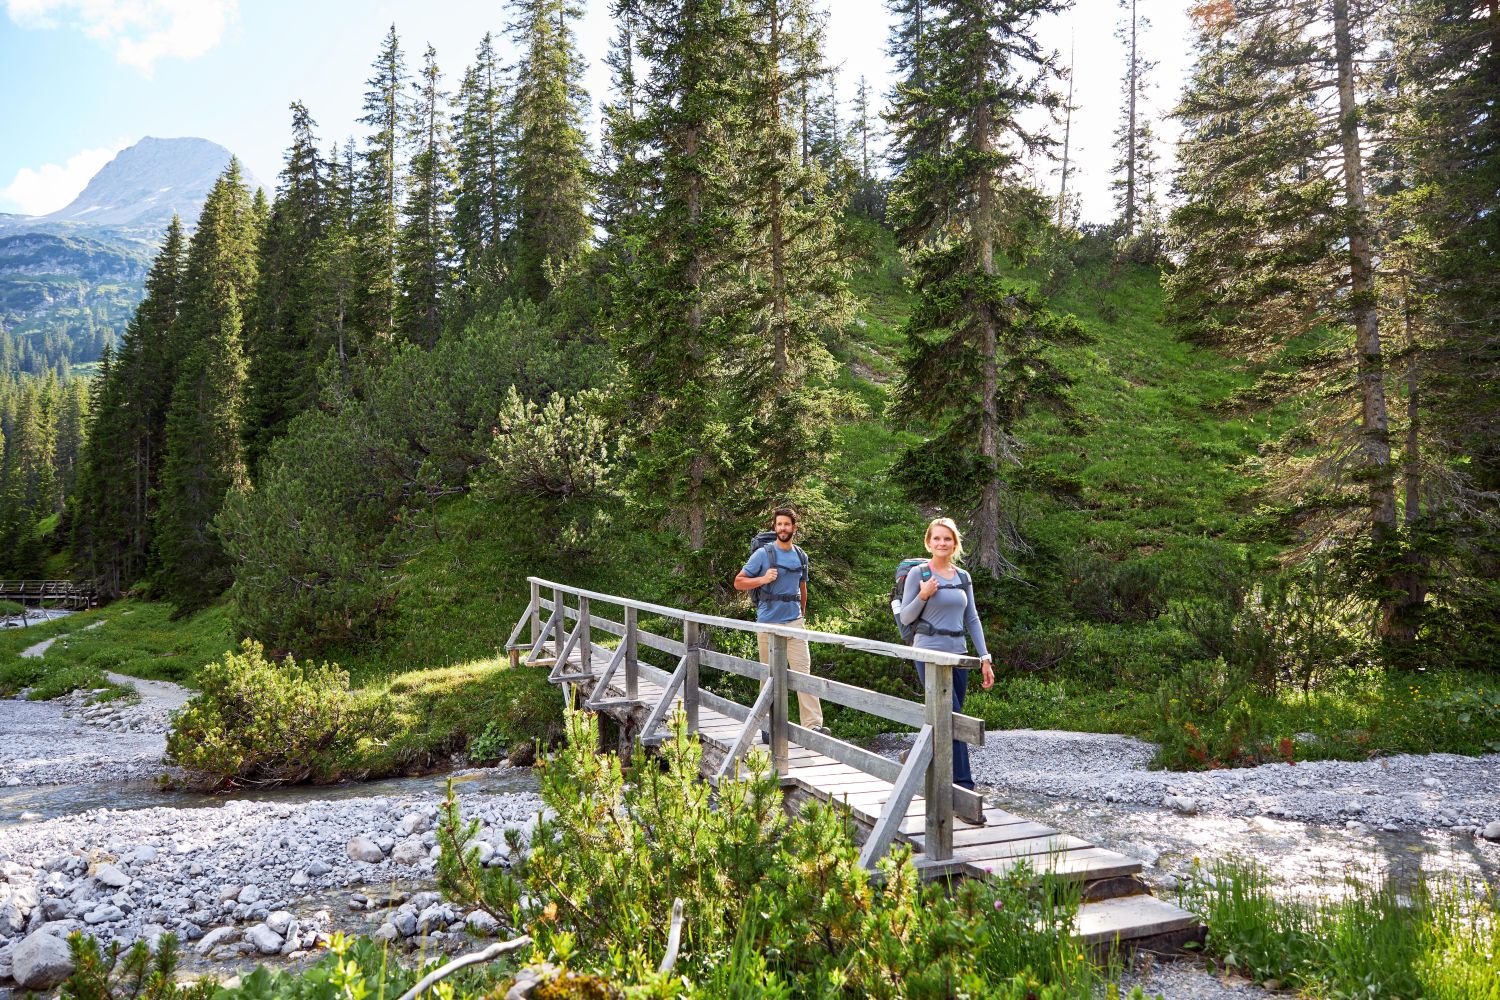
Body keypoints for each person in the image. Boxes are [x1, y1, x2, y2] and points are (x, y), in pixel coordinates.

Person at [898, 516, 994, 790]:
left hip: (959, 656)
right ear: (929, 543)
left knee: (947, 720)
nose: (942, 543)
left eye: (947, 538)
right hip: (929, 654)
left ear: (955, 544)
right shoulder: (920, 574)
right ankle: (963, 788)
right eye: (937, 538)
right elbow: (906, 617)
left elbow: (972, 619)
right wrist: (923, 595)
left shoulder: (963, 577)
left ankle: (916, 762)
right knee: (952, 718)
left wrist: (984, 658)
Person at [733, 507, 826, 734]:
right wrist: (763, 578)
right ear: (774, 527)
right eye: (779, 524)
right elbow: (738, 581)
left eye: (787, 524)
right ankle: (767, 726)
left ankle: (813, 727)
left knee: (804, 673)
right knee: (769, 677)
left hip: (794, 623)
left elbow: (802, 588)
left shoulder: (801, 555)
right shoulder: (763, 554)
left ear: (794, 527)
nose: (783, 528)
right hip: (768, 624)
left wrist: (801, 614)